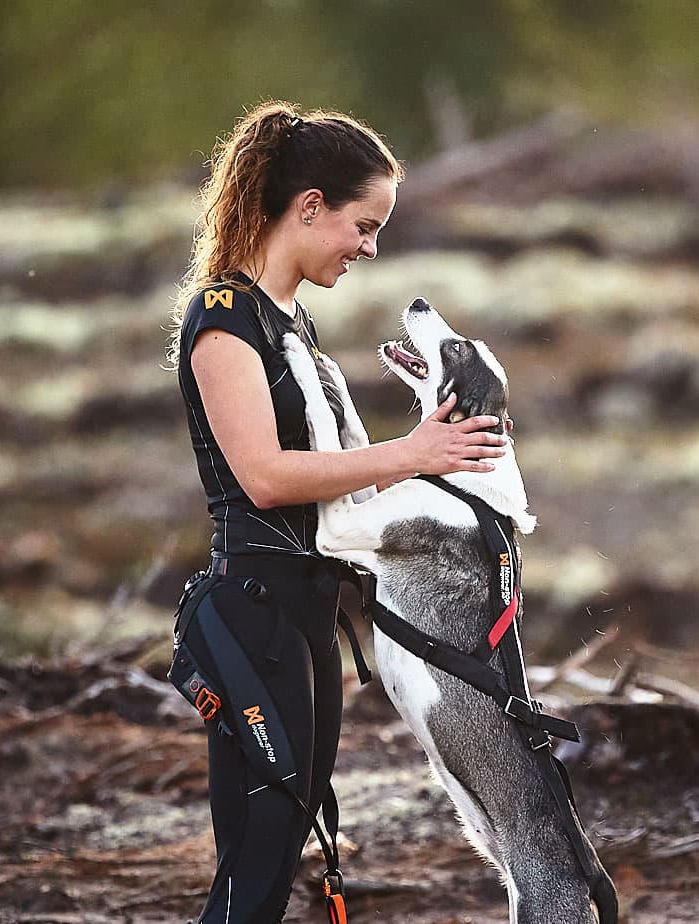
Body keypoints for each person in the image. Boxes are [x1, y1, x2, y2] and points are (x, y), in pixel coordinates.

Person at [165, 101, 506, 924]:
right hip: (253, 616)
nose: (370, 248)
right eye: (363, 224)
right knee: (256, 865)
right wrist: (412, 452)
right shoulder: (223, 322)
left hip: (310, 620)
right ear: (308, 206)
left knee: (282, 851)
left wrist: (461, 484)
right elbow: (267, 479)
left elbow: (348, 488)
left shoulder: (295, 329)